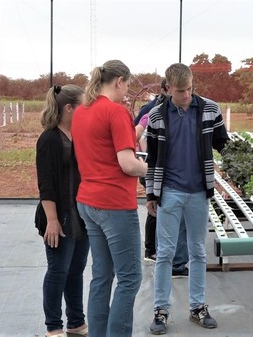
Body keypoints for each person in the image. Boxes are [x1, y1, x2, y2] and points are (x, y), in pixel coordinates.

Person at [145, 63, 229, 335]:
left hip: (198, 192)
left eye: (190, 89)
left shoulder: (210, 109)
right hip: (169, 191)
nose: (186, 95)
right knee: (165, 253)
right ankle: (161, 310)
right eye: (180, 91)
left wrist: (244, 162)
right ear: (168, 88)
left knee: (198, 251)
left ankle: (197, 307)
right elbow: (152, 158)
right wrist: (150, 193)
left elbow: (223, 144)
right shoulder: (157, 115)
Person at [71, 60, 147, 337]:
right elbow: (127, 164)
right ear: (119, 81)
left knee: (102, 276)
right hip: (114, 204)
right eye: (127, 84)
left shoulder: (81, 112)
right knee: (129, 278)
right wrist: (149, 169)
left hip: (88, 202)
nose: (127, 90)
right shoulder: (116, 112)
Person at [34, 84, 90, 337]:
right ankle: (53, 327)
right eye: (83, 105)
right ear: (69, 108)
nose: (87, 109)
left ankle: (76, 323)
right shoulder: (49, 139)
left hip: (82, 215)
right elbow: (45, 184)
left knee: (76, 271)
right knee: (58, 271)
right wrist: (52, 220)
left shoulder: (79, 134)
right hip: (59, 215)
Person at [135, 83, 189, 279]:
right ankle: (172, 262)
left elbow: (137, 133)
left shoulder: (149, 110)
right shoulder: (159, 112)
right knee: (169, 214)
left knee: (156, 209)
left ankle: (154, 252)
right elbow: (139, 135)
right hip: (162, 172)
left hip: (154, 169)